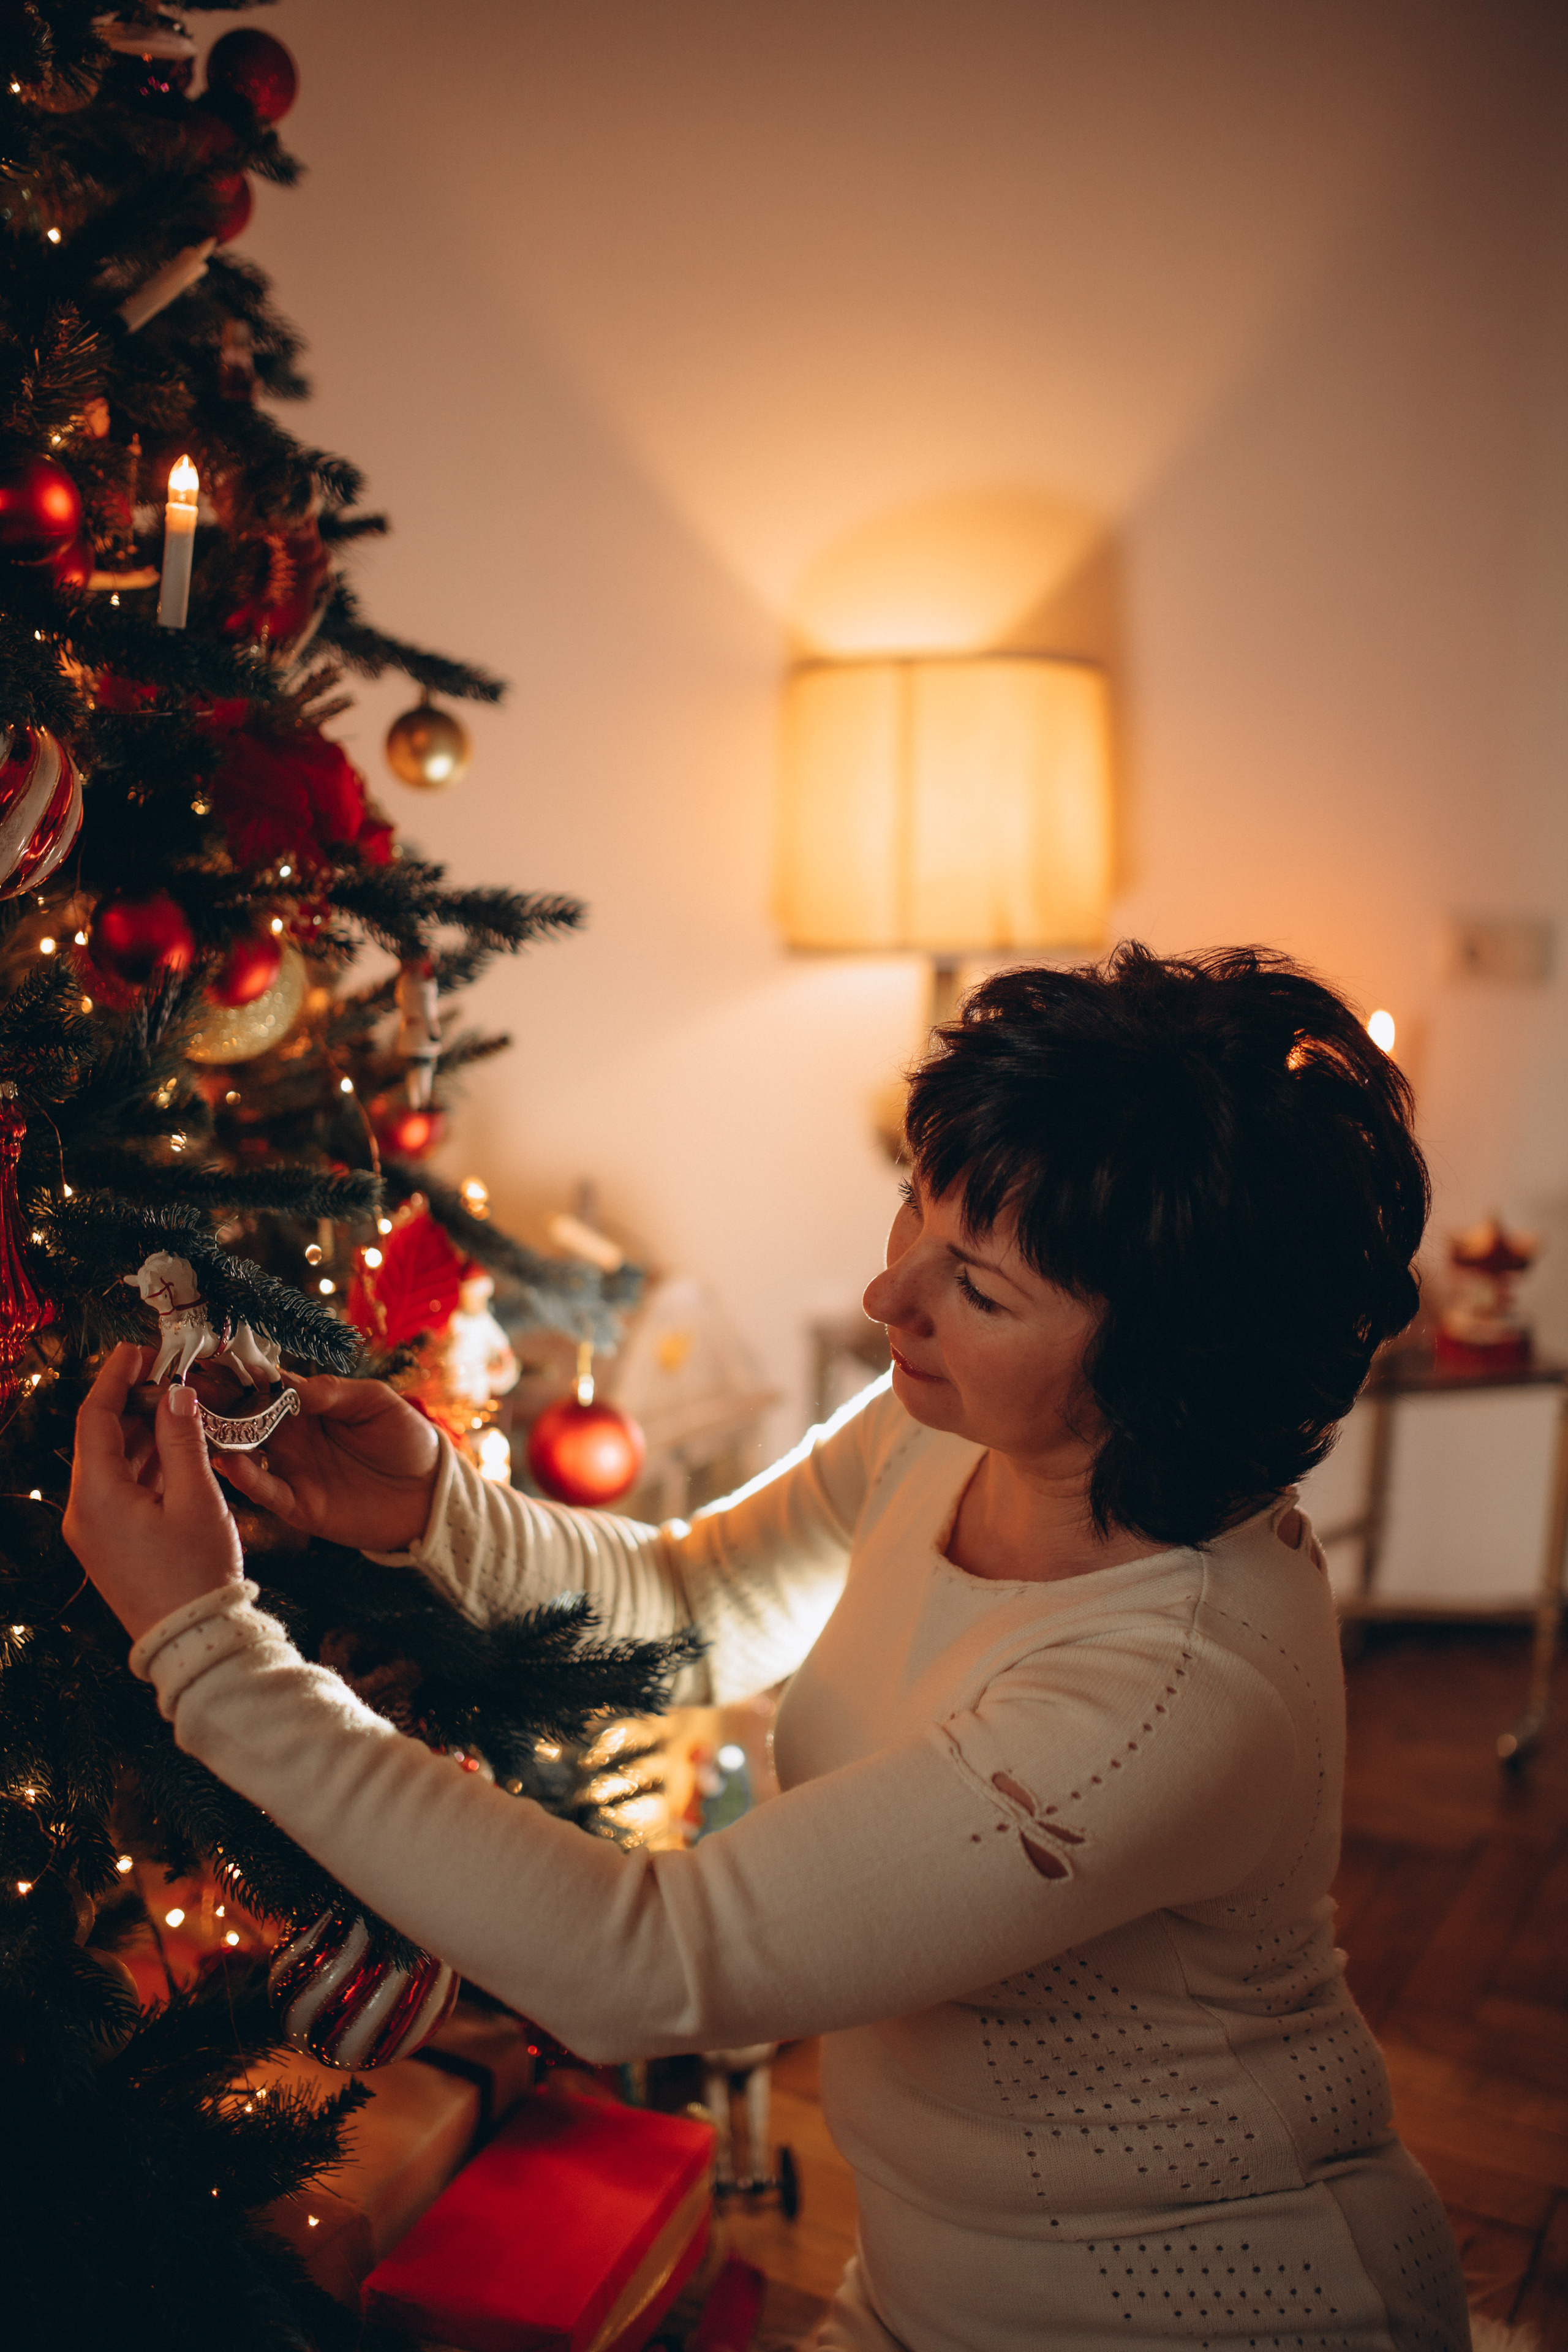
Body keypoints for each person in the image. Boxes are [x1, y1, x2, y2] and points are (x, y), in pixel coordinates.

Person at [64, 944, 1469, 2352]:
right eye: (912, 1208)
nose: (890, 1299)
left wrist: (207, 1654)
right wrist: (435, 1510)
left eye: (976, 1289)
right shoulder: (959, 1431)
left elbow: (649, 1965)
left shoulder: (1169, 1689)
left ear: (1165, 1369)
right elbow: (697, 1604)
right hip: (930, 2288)